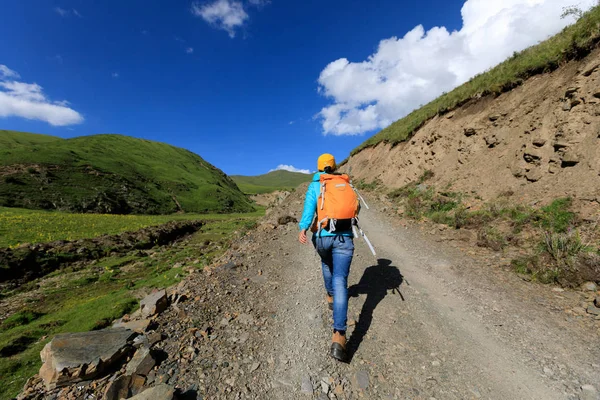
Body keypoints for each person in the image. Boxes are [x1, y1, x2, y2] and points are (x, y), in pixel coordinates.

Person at [298, 153, 354, 362]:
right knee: (342, 280)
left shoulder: (316, 185)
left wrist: (304, 228)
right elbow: (354, 209)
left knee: (325, 261)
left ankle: (330, 296)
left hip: (323, 237)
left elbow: (308, 210)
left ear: (319, 167)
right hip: (345, 238)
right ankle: (339, 337)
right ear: (334, 166)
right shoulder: (344, 183)